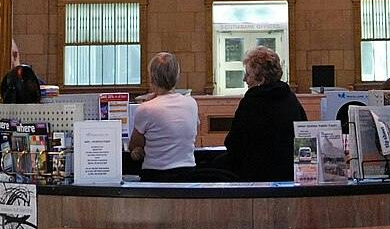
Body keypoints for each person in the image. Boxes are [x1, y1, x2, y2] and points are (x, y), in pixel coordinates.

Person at [219, 46, 305, 181]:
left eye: (248, 74)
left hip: (255, 176)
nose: (244, 79)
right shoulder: (291, 99)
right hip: (289, 174)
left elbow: (233, 144)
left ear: (261, 79)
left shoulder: (251, 103)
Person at [128, 51, 199, 181]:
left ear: (151, 78)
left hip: (155, 174)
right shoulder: (191, 103)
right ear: (177, 75)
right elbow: (193, 133)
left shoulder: (146, 109)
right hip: (187, 173)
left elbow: (134, 145)